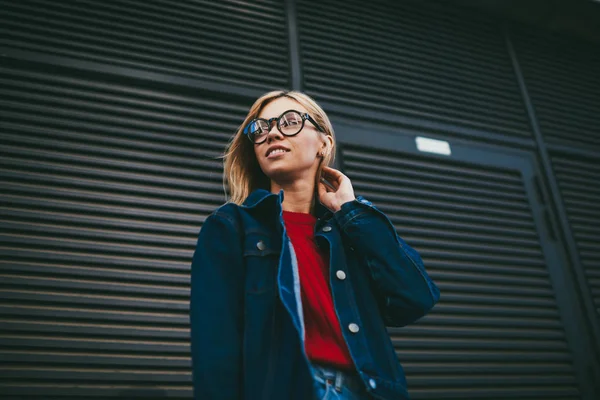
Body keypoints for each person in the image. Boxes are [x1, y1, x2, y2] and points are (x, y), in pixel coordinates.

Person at [189, 90, 440, 400]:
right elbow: (215, 346)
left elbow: (415, 298)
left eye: (290, 121)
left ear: (324, 143)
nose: (273, 133)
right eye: (261, 128)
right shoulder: (231, 227)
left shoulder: (349, 229)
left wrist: (351, 211)